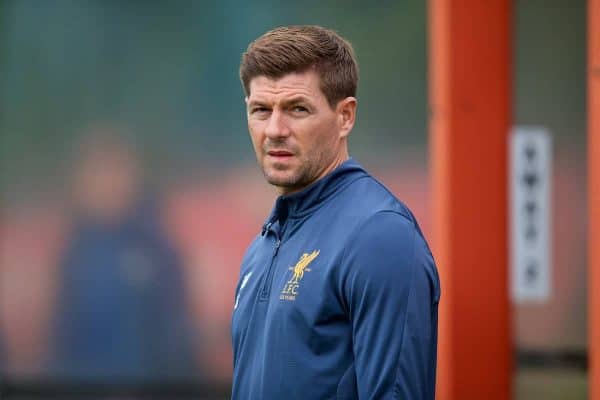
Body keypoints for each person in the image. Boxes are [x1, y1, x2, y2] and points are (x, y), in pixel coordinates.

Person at [231, 26, 441, 399]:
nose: (275, 130)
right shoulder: (263, 245)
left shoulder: (379, 236)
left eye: (297, 109)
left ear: (345, 116)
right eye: (261, 110)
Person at [49, 126, 198, 382]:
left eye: (115, 171)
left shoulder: (158, 249)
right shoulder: (74, 254)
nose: (106, 184)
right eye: (96, 173)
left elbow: (178, 338)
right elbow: (63, 341)